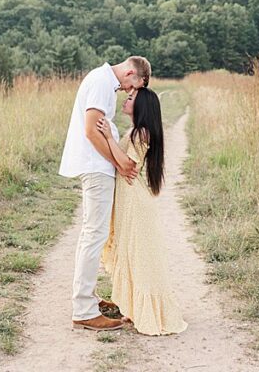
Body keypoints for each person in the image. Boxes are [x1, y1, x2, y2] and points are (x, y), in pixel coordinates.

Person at [58, 56, 151, 331]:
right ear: (131, 72)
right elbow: (91, 131)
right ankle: (84, 310)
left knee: (93, 233)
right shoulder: (101, 82)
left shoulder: (104, 82)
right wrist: (117, 162)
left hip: (98, 166)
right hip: (96, 167)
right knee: (94, 234)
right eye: (134, 85)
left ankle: (89, 299)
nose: (130, 91)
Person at [97, 87, 187, 335]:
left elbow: (129, 164)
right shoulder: (135, 131)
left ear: (141, 106)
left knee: (140, 256)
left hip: (135, 203)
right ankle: (133, 307)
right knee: (131, 252)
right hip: (128, 200)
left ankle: (148, 310)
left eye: (131, 98)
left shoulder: (142, 132)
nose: (126, 99)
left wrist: (108, 138)